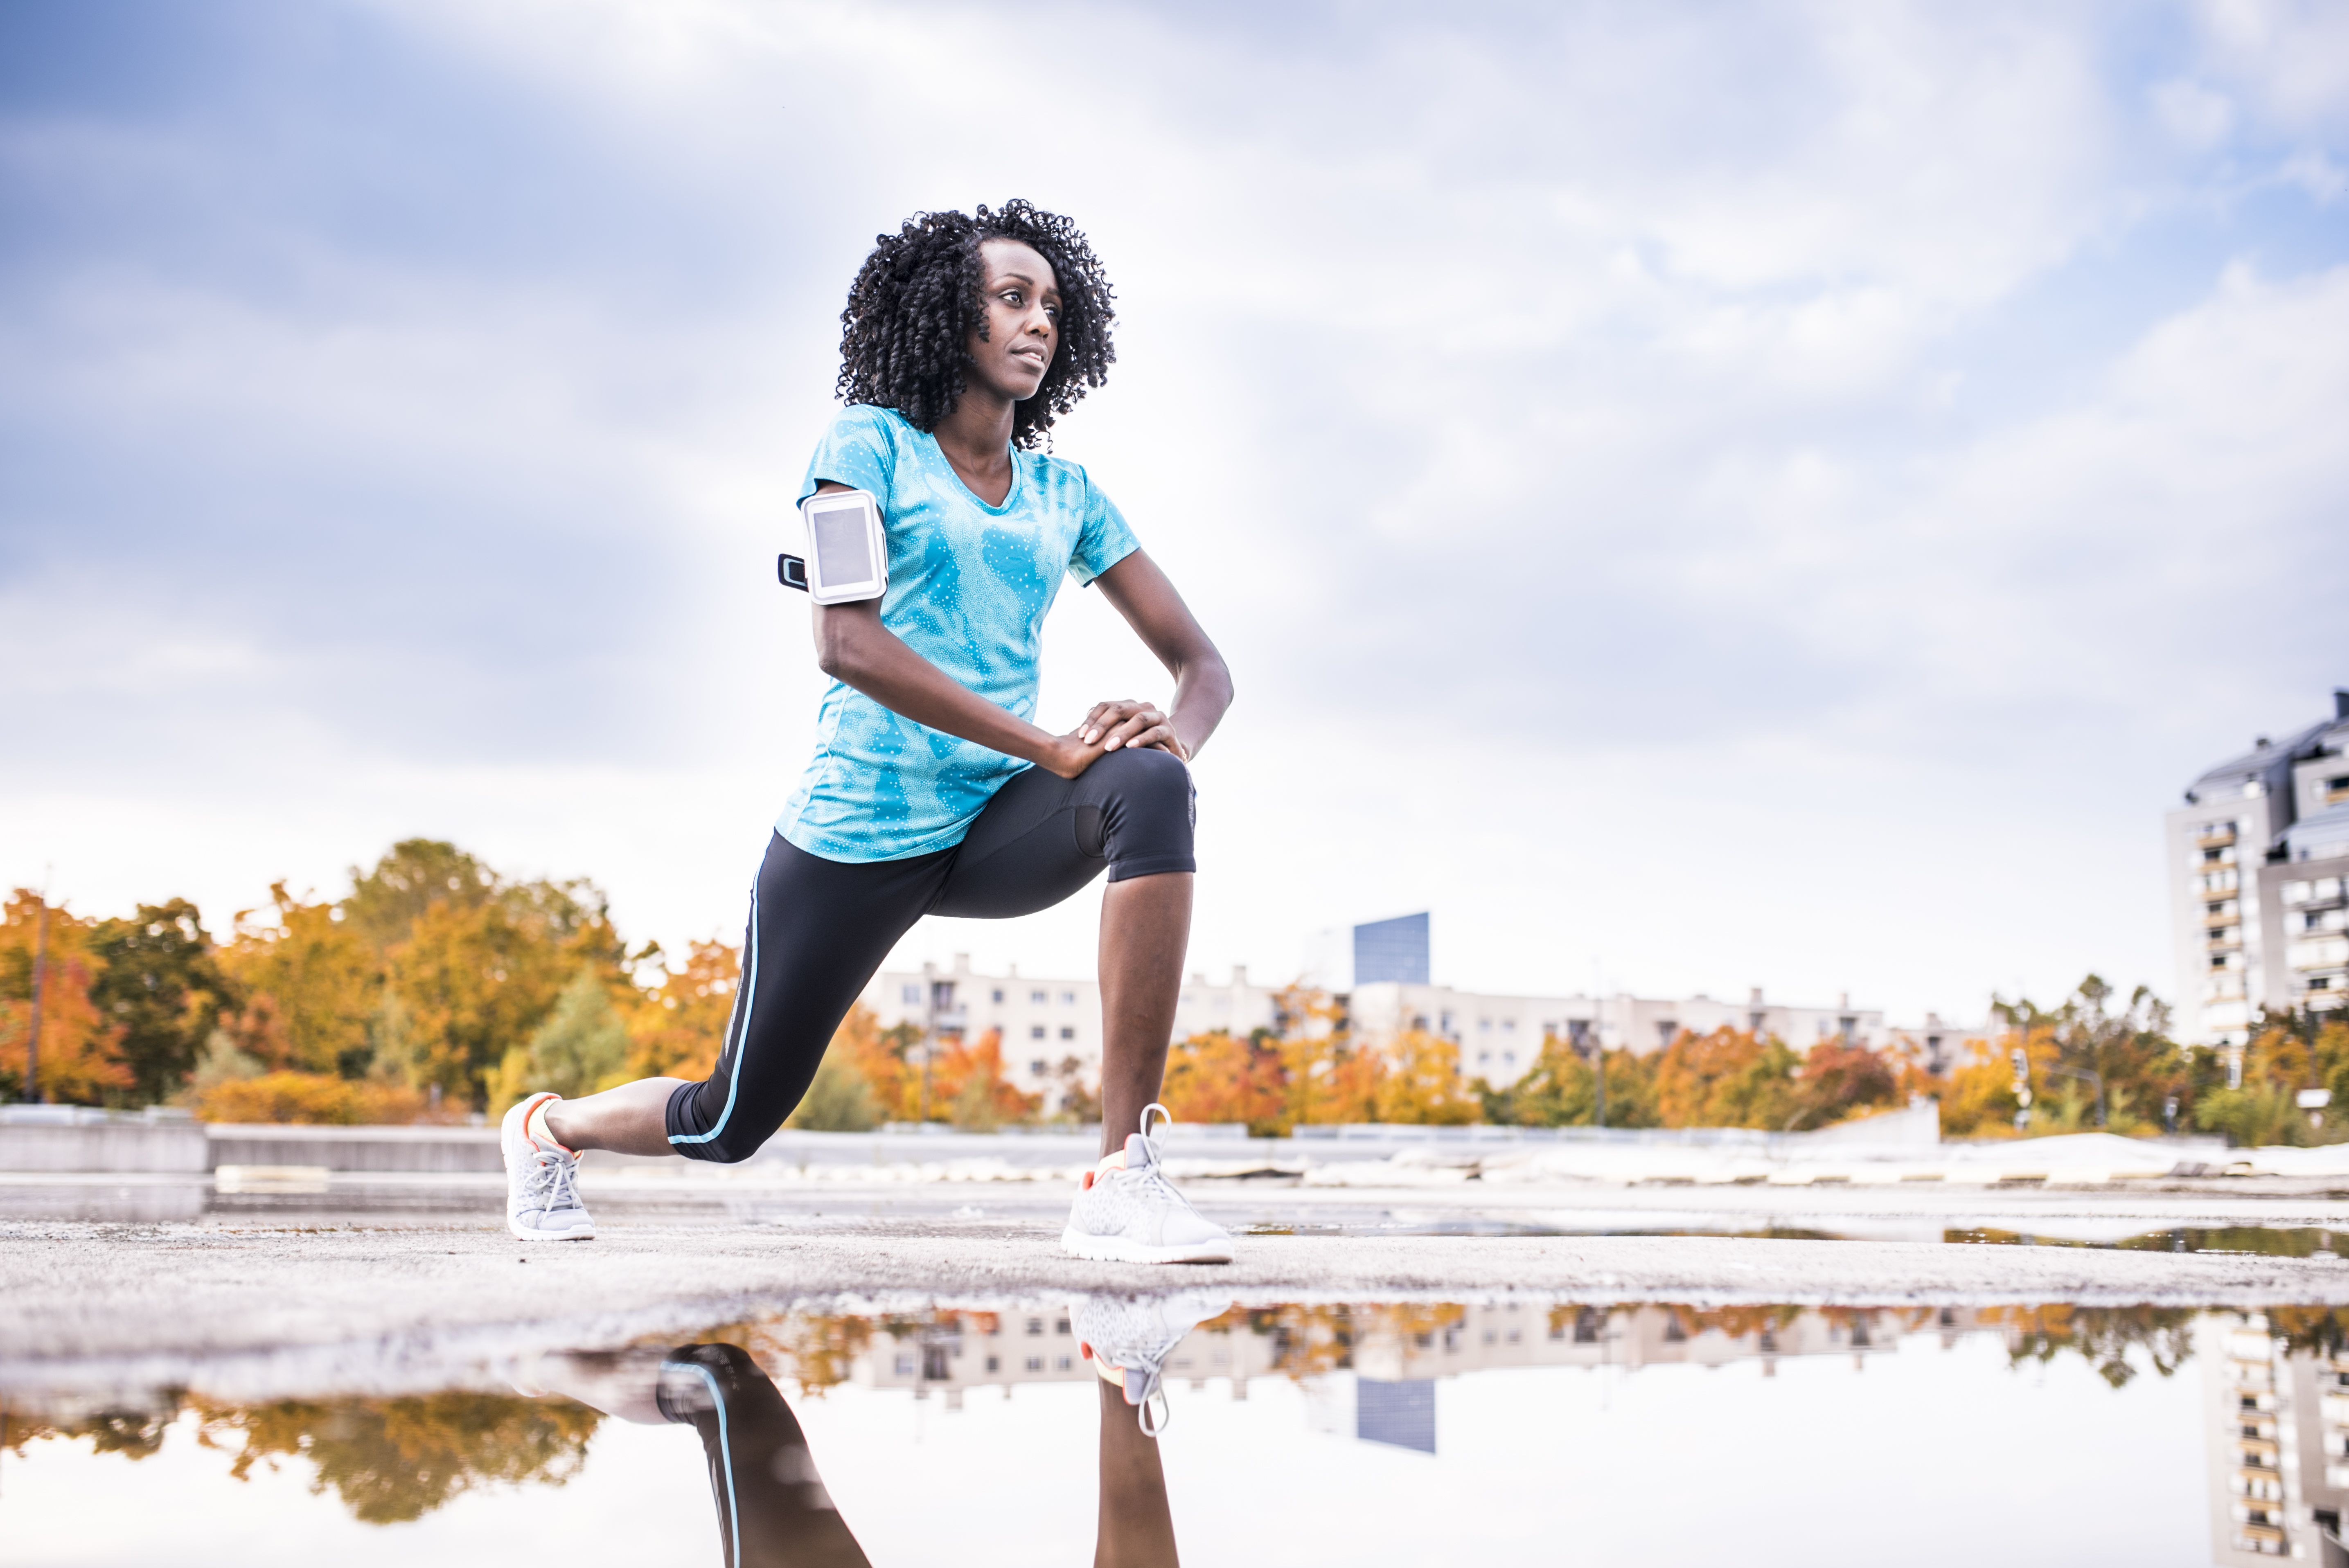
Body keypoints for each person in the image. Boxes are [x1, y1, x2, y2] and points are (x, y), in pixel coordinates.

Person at [499, 201, 1234, 1265]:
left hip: (992, 825)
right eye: (1012, 299)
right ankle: (546, 1127)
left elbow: (1203, 669)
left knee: (1152, 786)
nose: (1039, 324)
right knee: (725, 1121)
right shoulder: (862, 449)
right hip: (857, 834)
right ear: (946, 314)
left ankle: (1123, 1179)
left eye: (1053, 308)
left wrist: (1162, 738)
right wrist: (1048, 745)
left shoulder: (1067, 494)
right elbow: (845, 643)